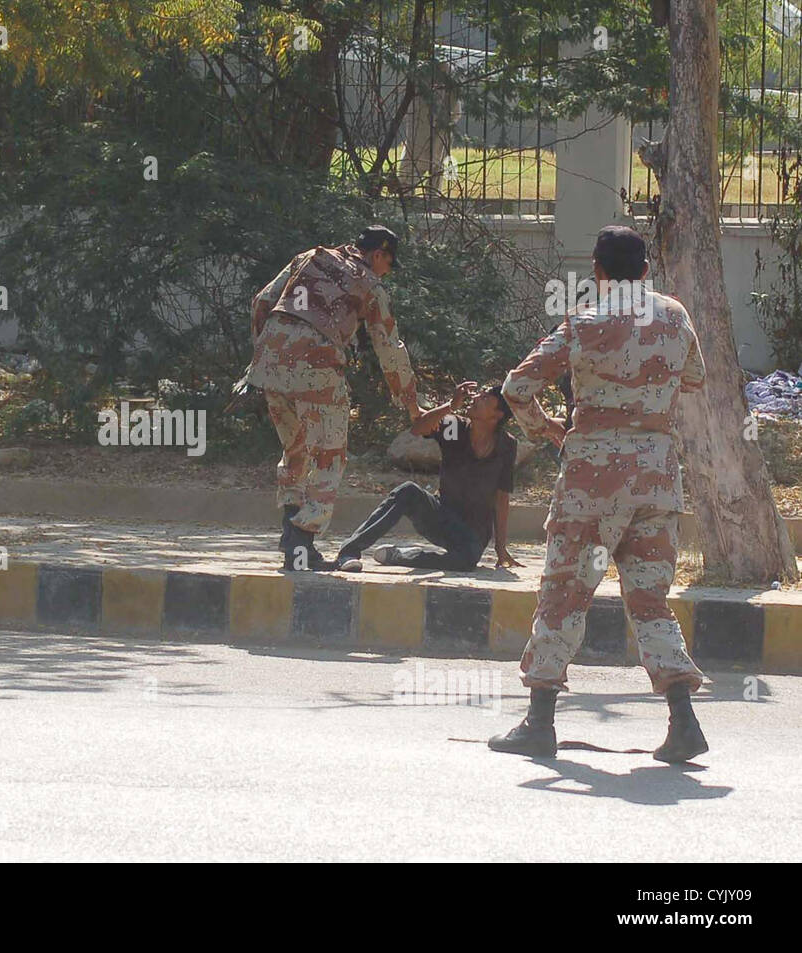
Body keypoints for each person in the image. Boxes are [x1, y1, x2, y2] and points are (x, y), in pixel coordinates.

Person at [490, 225, 709, 762]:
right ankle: (683, 720)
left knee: (565, 591)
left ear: (598, 270)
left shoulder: (584, 321)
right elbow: (696, 379)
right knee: (651, 600)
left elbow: (517, 388)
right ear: (646, 269)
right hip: (657, 477)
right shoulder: (676, 315)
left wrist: (549, 431)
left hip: (592, 479)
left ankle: (539, 722)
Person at [244, 226, 421, 570]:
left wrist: (262, 355)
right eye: (389, 263)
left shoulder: (312, 256)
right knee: (329, 457)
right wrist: (411, 402)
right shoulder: (370, 284)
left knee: (295, 451)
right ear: (378, 255)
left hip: (270, 362)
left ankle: (290, 540)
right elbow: (390, 347)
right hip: (317, 367)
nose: (387, 271)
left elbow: (262, 302)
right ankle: (302, 545)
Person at [335, 381, 523, 572]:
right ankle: (348, 552)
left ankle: (402, 556)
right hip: (440, 516)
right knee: (408, 491)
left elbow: (502, 497)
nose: (474, 398)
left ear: (497, 415)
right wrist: (450, 405)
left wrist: (501, 549)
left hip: (472, 534)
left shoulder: (507, 445)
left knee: (465, 562)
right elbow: (419, 428)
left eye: (484, 398)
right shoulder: (454, 427)